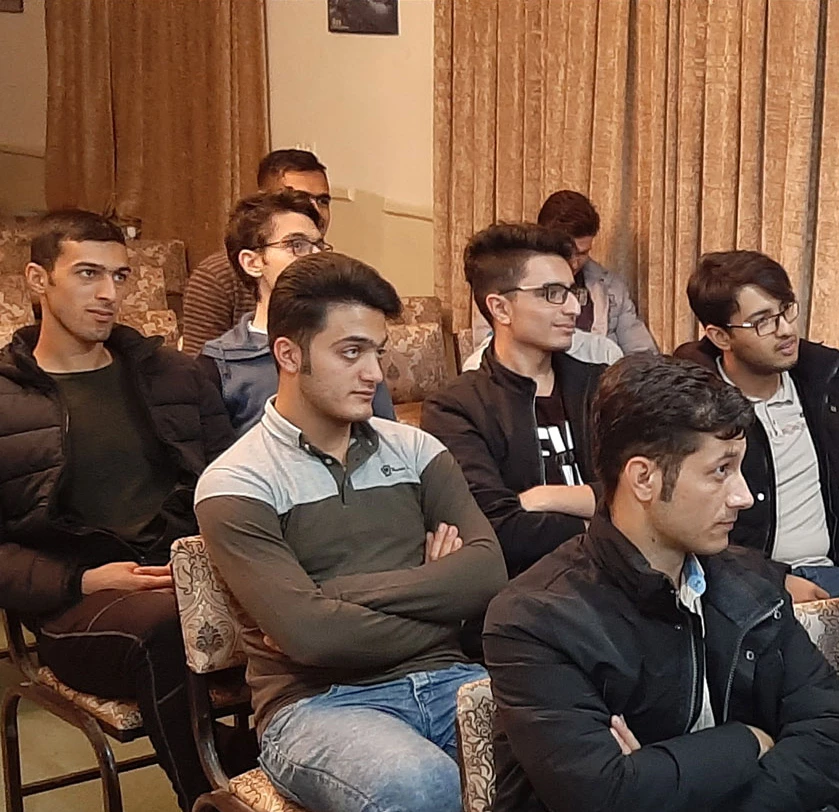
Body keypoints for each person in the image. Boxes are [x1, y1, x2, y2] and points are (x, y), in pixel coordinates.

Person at [483, 354, 839, 812]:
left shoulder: (747, 582)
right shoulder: (536, 618)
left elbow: (829, 738)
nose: (743, 496)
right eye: (720, 471)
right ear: (644, 478)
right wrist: (749, 739)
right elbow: (612, 806)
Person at [195, 252, 508, 812]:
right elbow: (311, 638)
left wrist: (336, 592)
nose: (375, 373)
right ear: (289, 353)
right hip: (316, 705)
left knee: (572, 744)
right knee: (420, 791)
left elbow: (487, 575)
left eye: (378, 352)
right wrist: (435, 592)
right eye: (351, 352)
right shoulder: (237, 482)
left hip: (448, 677)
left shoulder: (416, 451)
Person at [0, 210, 271, 812]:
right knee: (163, 632)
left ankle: (262, 757)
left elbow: (230, 483)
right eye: (87, 274)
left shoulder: (173, 374)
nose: (108, 293)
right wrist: (83, 578)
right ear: (37, 280)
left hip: (191, 574)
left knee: (323, 598)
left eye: (120, 277)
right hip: (77, 602)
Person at [672, 250, 839, 603]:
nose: (786, 330)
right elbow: (680, 522)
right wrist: (773, 580)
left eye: (786, 310)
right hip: (744, 584)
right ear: (720, 337)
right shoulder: (694, 407)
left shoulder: (821, 384)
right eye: (763, 321)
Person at [423, 223, 603, 576]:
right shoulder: (456, 407)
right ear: (501, 308)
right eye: (552, 293)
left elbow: (650, 493)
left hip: (619, 584)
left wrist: (544, 497)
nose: (572, 308)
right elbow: (496, 529)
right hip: (527, 590)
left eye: (572, 292)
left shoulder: (601, 384)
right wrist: (610, 528)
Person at [201, 189, 394, 435]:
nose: (315, 256)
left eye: (319, 245)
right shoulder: (220, 364)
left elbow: (387, 434)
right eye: (297, 245)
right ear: (252, 262)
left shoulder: (354, 339)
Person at [460, 190, 649, 367]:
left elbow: (642, 353)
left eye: (583, 253)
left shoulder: (611, 293)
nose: (574, 263)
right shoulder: (506, 282)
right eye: (551, 294)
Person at [181, 148, 333, 349]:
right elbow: (200, 363)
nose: (316, 211)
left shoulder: (336, 272)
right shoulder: (215, 277)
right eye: (299, 198)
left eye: (323, 201)